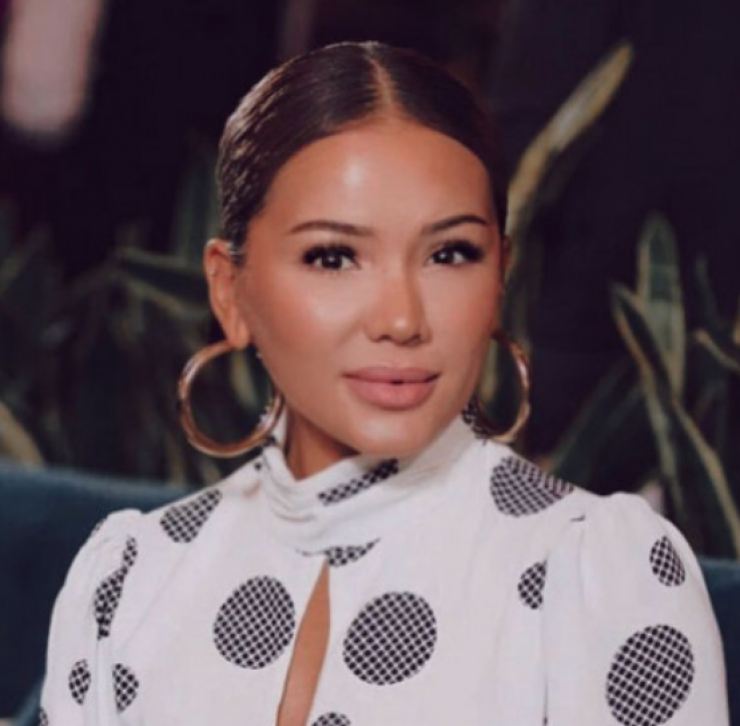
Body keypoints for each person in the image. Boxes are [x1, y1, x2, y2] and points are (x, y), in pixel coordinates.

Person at [39, 42, 727, 726]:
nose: (401, 319)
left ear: (499, 276)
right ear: (230, 292)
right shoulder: (131, 577)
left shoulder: (599, 577)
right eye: (334, 257)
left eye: (449, 254)